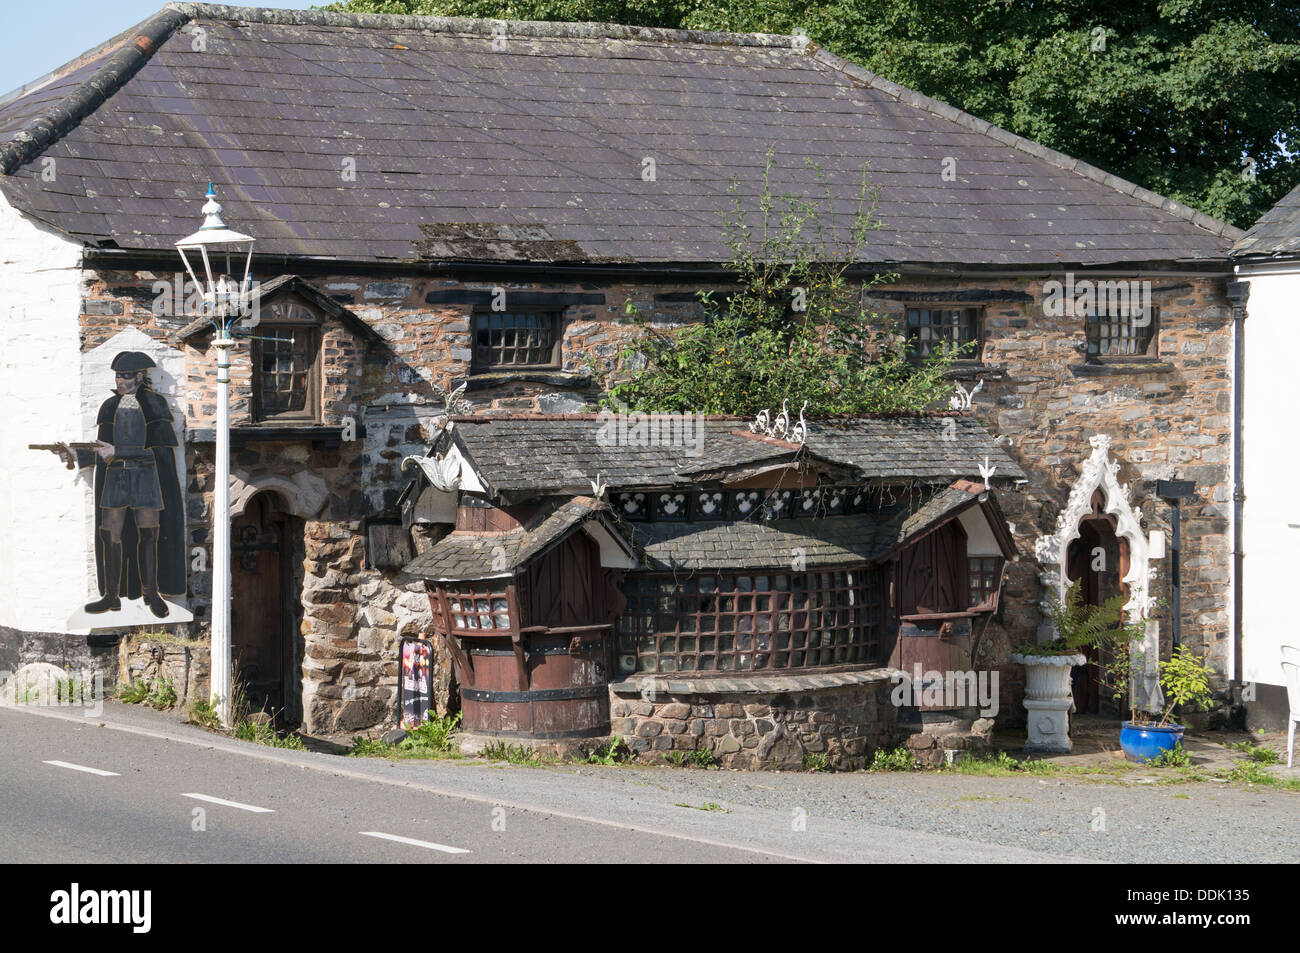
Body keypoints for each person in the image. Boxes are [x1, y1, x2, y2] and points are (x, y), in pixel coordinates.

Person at [63, 351, 186, 617]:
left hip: (146, 478)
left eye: (127, 376)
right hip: (116, 479)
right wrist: (78, 454)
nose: (121, 381)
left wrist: (119, 452)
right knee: (110, 535)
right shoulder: (109, 406)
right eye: (118, 375)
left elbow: (160, 451)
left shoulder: (155, 404)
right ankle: (111, 595)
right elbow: (104, 449)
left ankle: (151, 592)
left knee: (149, 534)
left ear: (140, 377)